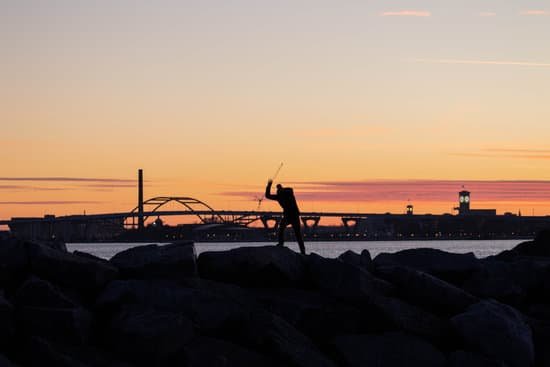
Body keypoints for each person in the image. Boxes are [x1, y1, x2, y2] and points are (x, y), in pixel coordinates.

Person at [265, 179, 306, 254]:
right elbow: (267, 195)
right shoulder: (279, 196)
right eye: (278, 191)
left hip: (294, 215)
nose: (278, 192)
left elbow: (290, 189)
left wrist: (280, 189)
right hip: (288, 215)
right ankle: (281, 244)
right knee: (281, 228)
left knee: (298, 234)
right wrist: (269, 185)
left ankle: (303, 251)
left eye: (279, 190)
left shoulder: (289, 192)